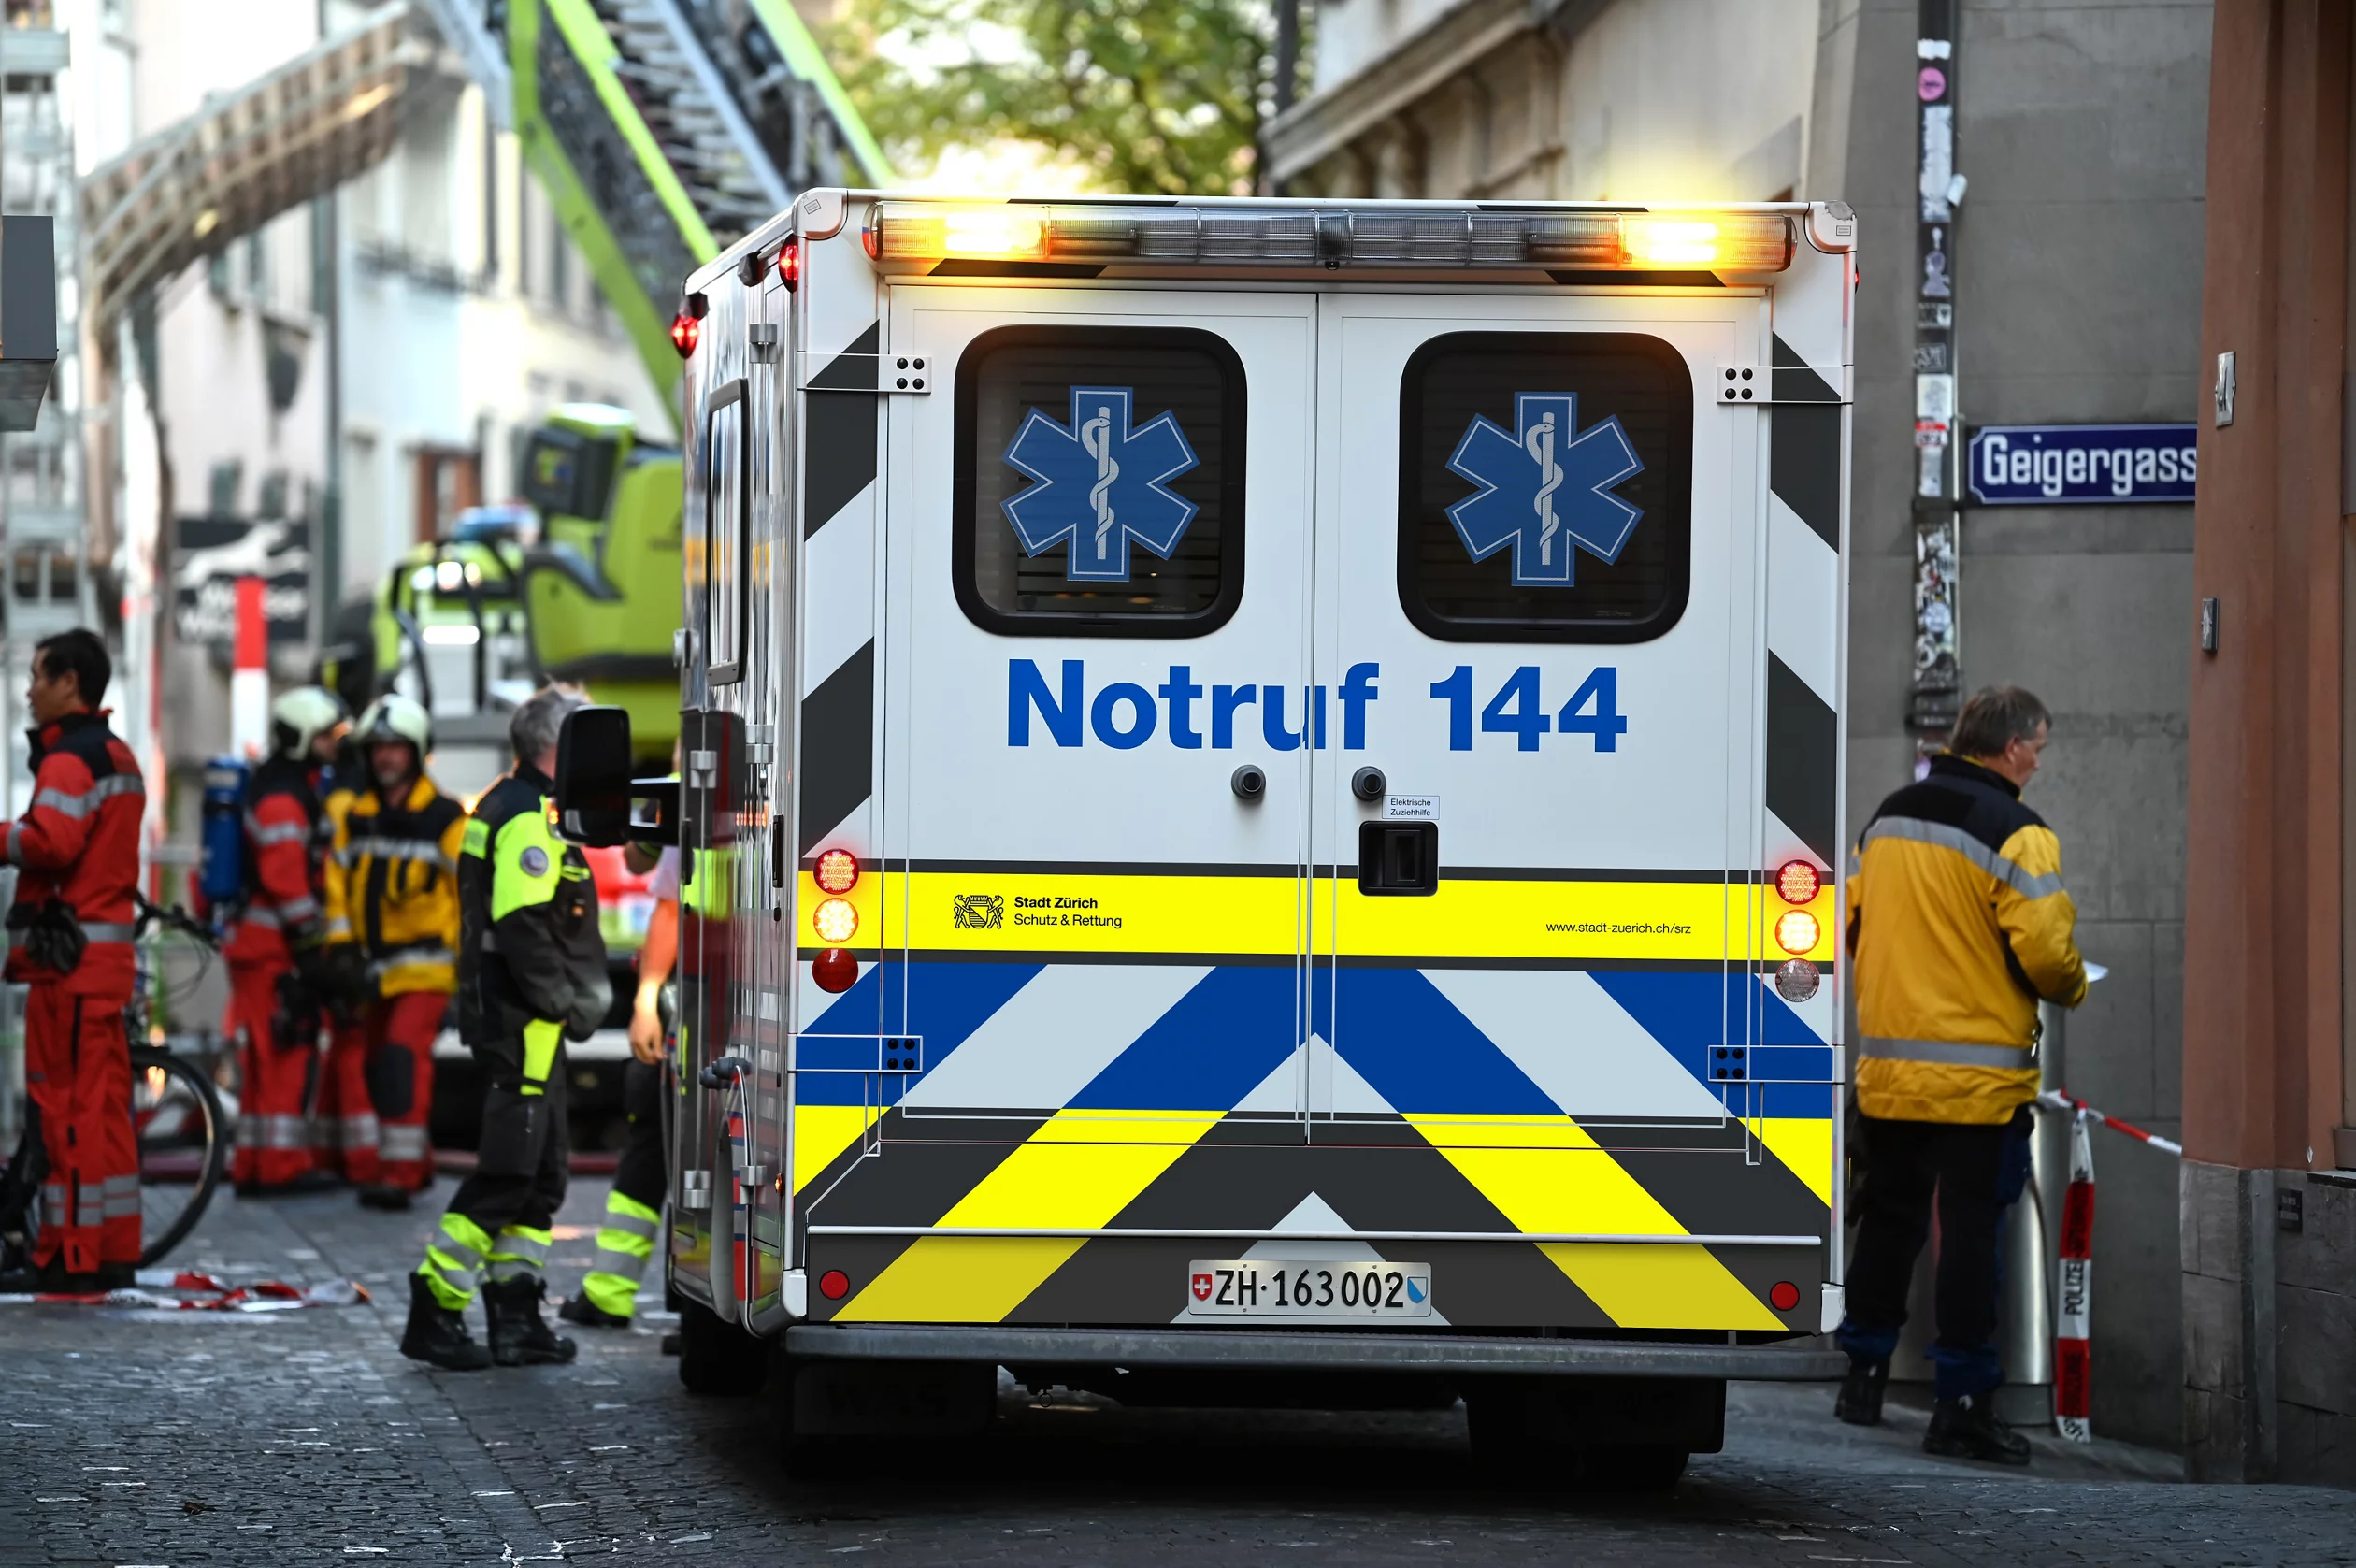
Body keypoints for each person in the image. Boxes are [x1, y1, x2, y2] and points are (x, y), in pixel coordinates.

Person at [1833, 685, 2088, 1465]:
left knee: (1892, 1217)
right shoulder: (2020, 833)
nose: (2038, 762)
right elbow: (2046, 955)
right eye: (2037, 748)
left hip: (1890, 1071)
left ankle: (1864, 1374)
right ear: (2010, 748)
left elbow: (1850, 924)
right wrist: (2074, 984)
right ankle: (1963, 1403)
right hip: (1977, 1084)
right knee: (1971, 1236)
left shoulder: (1890, 816)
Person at [401, 684, 610, 1370]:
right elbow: (521, 925)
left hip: (524, 1026)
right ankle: (435, 1306)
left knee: (540, 1177)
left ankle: (516, 1314)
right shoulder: (526, 814)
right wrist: (563, 1000)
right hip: (524, 1024)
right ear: (560, 744)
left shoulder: (514, 803)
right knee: (506, 1175)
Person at [0, 631, 147, 1289]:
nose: (28, 689)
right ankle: (113, 1247)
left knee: (64, 1109)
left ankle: (71, 1255)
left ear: (69, 682)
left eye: (37, 676)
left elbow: (51, 842)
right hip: (103, 963)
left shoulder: (69, 759)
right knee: (106, 1107)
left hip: (70, 965)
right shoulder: (118, 755)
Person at [319, 696, 464, 1210]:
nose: (385, 758)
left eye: (396, 748)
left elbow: (467, 898)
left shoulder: (446, 818)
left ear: (417, 751)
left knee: (401, 1058)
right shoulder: (355, 816)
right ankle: (414, 1163)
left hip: (425, 967)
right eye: (378, 748)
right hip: (371, 969)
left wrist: (469, 973)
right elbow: (337, 880)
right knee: (380, 1066)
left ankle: (400, 1174)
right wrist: (339, 947)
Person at [221, 685, 347, 1196]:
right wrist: (314, 941)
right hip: (273, 948)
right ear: (301, 738)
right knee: (284, 1052)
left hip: (260, 946)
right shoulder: (283, 799)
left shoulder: (280, 787)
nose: (332, 746)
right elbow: (286, 881)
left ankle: (253, 1162)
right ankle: (277, 1167)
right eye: (324, 737)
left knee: (262, 1055)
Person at [561, 836, 676, 1334]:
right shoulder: (688, 791)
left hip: (693, 1006)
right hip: (717, 1005)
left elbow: (669, 909)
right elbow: (635, 858)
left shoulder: (693, 789)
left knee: (653, 1142)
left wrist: (646, 997)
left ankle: (610, 1292)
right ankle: (613, 1292)